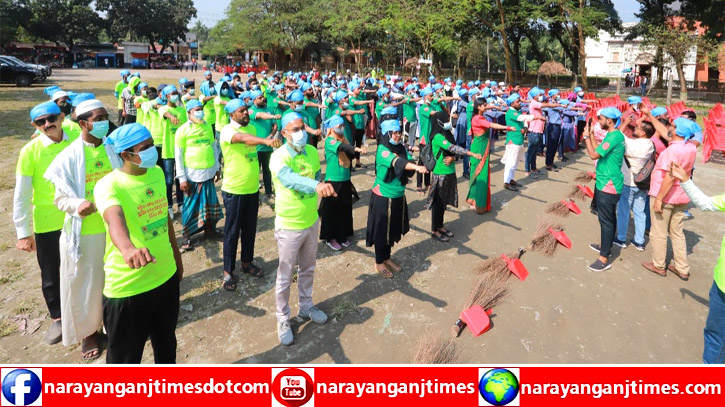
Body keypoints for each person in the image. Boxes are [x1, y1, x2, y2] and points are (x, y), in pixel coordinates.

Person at [95, 123, 183, 364]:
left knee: (166, 346)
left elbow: (164, 218)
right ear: (126, 155)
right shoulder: (108, 185)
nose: (151, 151)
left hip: (165, 278)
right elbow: (114, 219)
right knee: (125, 360)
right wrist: (127, 248)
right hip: (128, 288)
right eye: (144, 148)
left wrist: (176, 257)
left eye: (151, 145)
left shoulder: (155, 173)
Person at [44, 99, 120, 361]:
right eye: (97, 118)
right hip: (85, 234)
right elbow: (60, 199)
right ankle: (89, 332)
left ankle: (113, 326)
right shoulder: (68, 157)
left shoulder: (113, 149)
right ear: (83, 123)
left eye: (104, 117)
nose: (103, 122)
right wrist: (78, 204)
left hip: (114, 230)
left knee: (113, 282)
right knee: (86, 285)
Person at [269, 113, 336, 346]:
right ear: (284, 133)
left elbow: (317, 174)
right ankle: (283, 318)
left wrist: (320, 189)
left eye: (302, 128)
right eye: (295, 129)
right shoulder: (278, 157)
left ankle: (306, 307)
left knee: (308, 268)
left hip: (310, 221)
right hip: (289, 225)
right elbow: (291, 180)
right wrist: (316, 186)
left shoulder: (310, 152)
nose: (301, 133)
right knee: (285, 275)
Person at [14, 102, 77, 345]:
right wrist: (22, 232)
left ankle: (90, 313)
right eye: (40, 122)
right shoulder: (30, 151)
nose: (47, 124)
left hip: (80, 217)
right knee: (51, 272)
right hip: (47, 222)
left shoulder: (77, 141)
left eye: (51, 118)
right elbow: (21, 193)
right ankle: (58, 318)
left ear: (61, 117)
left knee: (85, 266)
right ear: (34, 125)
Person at [220, 100, 282, 290]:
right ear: (232, 115)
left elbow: (250, 141)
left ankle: (247, 262)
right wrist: (266, 140)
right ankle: (227, 271)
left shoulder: (253, 129)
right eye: (242, 111)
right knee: (232, 232)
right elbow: (242, 138)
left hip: (252, 189)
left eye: (246, 109)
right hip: (234, 190)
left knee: (250, 229)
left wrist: (268, 136)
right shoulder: (227, 131)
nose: (246, 113)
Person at [669, 161, 725, 363]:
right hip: (720, 284)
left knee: (716, 339)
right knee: (715, 336)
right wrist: (685, 179)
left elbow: (705, 204)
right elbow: (705, 203)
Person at [366, 119, 427, 277]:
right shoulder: (382, 150)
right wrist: (415, 167)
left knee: (391, 230)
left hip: (398, 195)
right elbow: (399, 162)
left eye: (399, 132)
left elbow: (407, 158)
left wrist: (413, 162)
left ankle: (386, 257)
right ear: (387, 134)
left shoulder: (401, 147)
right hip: (384, 196)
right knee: (381, 231)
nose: (398, 135)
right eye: (394, 133)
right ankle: (379, 262)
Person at [642, 118, 698, 280]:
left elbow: (669, 177)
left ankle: (659, 265)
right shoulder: (690, 147)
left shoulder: (672, 151)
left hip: (666, 195)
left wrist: (659, 199)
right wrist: (650, 115)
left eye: (672, 126)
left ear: (678, 131)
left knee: (658, 231)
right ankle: (682, 267)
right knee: (677, 232)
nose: (669, 127)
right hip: (681, 195)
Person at [174, 100, 224, 251]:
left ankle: (210, 230)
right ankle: (186, 237)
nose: (200, 112)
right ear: (188, 112)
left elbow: (213, 147)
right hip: (192, 175)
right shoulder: (182, 130)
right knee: (191, 206)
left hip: (208, 173)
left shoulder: (208, 125)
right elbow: (179, 155)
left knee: (209, 202)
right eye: (196, 110)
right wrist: (182, 178)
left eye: (201, 109)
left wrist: (217, 167)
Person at [427, 111, 482, 242]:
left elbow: (453, 153)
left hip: (449, 172)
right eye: (446, 119)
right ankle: (435, 230)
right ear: (440, 122)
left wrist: (453, 158)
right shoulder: (438, 137)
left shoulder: (447, 134)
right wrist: (471, 153)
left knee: (444, 202)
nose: (449, 121)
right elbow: (453, 148)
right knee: (438, 203)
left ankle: (440, 226)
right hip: (441, 174)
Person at [582, 107, 625, 272]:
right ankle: (605, 245)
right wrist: (591, 135)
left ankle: (603, 258)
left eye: (601, 119)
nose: (599, 122)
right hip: (606, 181)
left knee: (606, 221)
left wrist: (586, 137)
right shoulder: (614, 135)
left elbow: (593, 155)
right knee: (609, 217)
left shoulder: (614, 137)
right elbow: (599, 150)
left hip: (609, 184)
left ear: (610, 120)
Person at [319, 115, 366, 251]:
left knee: (345, 208)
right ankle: (330, 237)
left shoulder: (344, 139)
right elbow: (343, 148)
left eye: (342, 125)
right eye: (339, 126)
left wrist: (353, 150)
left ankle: (342, 235)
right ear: (332, 128)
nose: (341, 128)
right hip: (333, 180)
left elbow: (348, 151)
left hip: (345, 179)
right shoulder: (330, 141)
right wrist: (356, 149)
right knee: (331, 210)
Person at [613, 118, 655, 252]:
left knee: (624, 211)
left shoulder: (633, 146)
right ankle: (639, 241)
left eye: (637, 128)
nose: (634, 129)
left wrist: (624, 123)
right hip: (642, 183)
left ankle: (621, 238)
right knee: (639, 212)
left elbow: (617, 134)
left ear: (643, 133)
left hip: (629, 182)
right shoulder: (650, 144)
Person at [467, 98, 514, 213]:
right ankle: (479, 205)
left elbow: (487, 111)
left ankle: (474, 200)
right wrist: (507, 128)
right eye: (484, 105)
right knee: (481, 176)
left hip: (481, 147)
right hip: (479, 151)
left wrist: (496, 108)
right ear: (479, 107)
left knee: (477, 174)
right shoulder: (478, 119)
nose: (486, 106)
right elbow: (491, 124)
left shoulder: (479, 115)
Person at [159, 86, 188, 219]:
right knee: (169, 180)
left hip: (181, 150)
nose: (175, 95)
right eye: (172, 94)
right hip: (169, 150)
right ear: (166, 96)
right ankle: (169, 205)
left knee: (180, 177)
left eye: (176, 93)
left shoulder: (182, 110)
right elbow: (165, 113)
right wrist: (171, 117)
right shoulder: (164, 109)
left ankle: (181, 203)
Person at [249, 90, 282, 201]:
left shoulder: (269, 109)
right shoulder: (251, 111)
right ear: (254, 100)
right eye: (260, 98)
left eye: (263, 97)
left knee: (268, 171)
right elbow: (261, 116)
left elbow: (275, 126)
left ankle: (269, 192)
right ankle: (254, 193)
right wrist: (273, 116)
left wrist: (271, 135)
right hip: (256, 147)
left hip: (267, 146)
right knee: (254, 172)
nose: (263, 99)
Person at [502, 94, 535, 192]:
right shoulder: (510, 112)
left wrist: (525, 128)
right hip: (513, 141)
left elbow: (524, 121)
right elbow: (521, 118)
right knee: (510, 162)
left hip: (519, 140)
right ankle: (506, 182)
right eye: (518, 101)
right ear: (512, 103)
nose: (520, 103)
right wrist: (535, 117)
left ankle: (511, 179)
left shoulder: (517, 111)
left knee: (515, 163)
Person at [525, 88, 558, 178]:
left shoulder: (535, 102)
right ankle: (527, 171)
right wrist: (556, 105)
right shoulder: (534, 102)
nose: (541, 96)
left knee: (534, 151)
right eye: (539, 95)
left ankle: (534, 168)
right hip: (534, 131)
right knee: (530, 152)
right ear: (535, 95)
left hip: (538, 130)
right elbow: (545, 104)